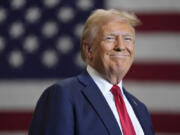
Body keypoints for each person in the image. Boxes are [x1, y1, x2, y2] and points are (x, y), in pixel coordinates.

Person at [28, 9, 154, 135]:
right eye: (110, 38)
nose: (121, 46)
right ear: (89, 50)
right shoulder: (63, 95)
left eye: (127, 38)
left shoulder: (140, 109)